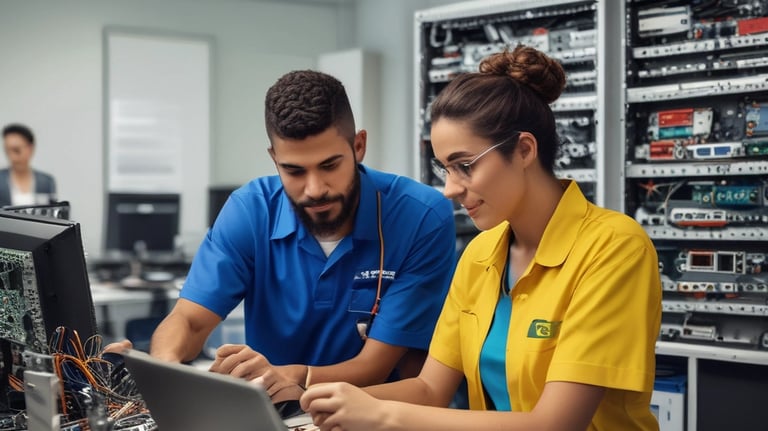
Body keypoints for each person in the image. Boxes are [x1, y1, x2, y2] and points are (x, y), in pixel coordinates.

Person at [299, 45, 662, 430]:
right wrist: (318, 401)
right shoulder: (481, 253)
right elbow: (428, 388)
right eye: (445, 169)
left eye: (464, 166)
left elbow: (556, 424)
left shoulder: (614, 248)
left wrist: (382, 414)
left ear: (524, 149)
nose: (449, 189)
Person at [110, 70, 457, 402]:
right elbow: (188, 320)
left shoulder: (421, 216)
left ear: (359, 145)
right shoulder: (250, 209)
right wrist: (166, 372)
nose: (315, 189)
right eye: (293, 170)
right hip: (270, 413)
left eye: (329, 165)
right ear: (274, 159)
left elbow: (376, 365)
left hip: (373, 415)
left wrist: (293, 378)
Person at [0, 123, 56, 207]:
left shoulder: (46, 182)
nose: (12, 157)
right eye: (7, 151)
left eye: (16, 150)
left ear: (31, 148)